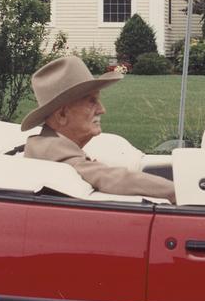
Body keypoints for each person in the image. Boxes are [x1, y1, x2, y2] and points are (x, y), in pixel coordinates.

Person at [20, 56, 176, 202]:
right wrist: (180, 192)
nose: (102, 109)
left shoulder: (49, 145)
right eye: (92, 101)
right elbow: (111, 178)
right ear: (61, 114)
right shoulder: (53, 151)